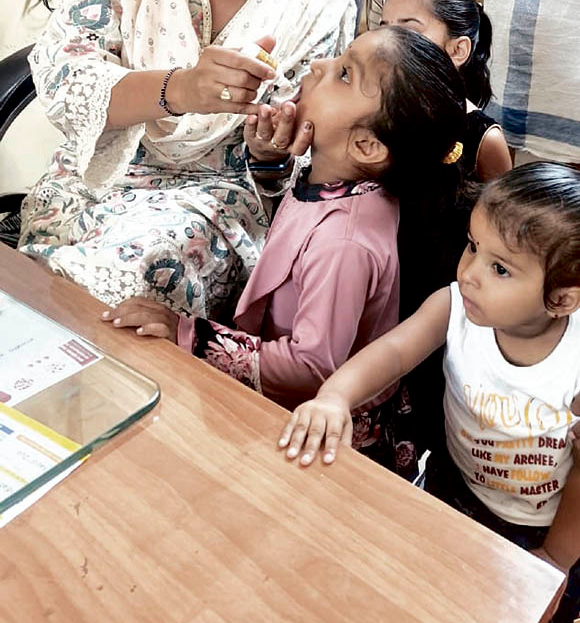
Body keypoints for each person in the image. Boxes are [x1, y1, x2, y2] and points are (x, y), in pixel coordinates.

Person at [279, 162, 580, 623]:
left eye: (500, 268)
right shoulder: (456, 307)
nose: (470, 273)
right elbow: (395, 350)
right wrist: (335, 396)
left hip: (541, 532)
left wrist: (555, 559)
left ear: (561, 300)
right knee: (423, 622)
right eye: (472, 246)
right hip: (451, 492)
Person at [18, 0, 357, 320]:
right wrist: (181, 88)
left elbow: (307, 161)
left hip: (215, 199)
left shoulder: (320, 6)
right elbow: (69, 80)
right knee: (35, 293)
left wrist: (270, 152)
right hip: (99, 173)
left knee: (121, 286)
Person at [102, 27, 467, 476]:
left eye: (344, 74)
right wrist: (269, 159)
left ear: (366, 146)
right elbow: (294, 234)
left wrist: (189, 334)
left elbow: (311, 368)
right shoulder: (336, 180)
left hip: (318, 443)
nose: (318, 66)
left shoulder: (344, 245)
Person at [381, 0, 512, 181]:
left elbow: (500, 204)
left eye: (409, 31)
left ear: (458, 50)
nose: (385, 43)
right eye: (384, 28)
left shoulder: (484, 140)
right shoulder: (369, 108)